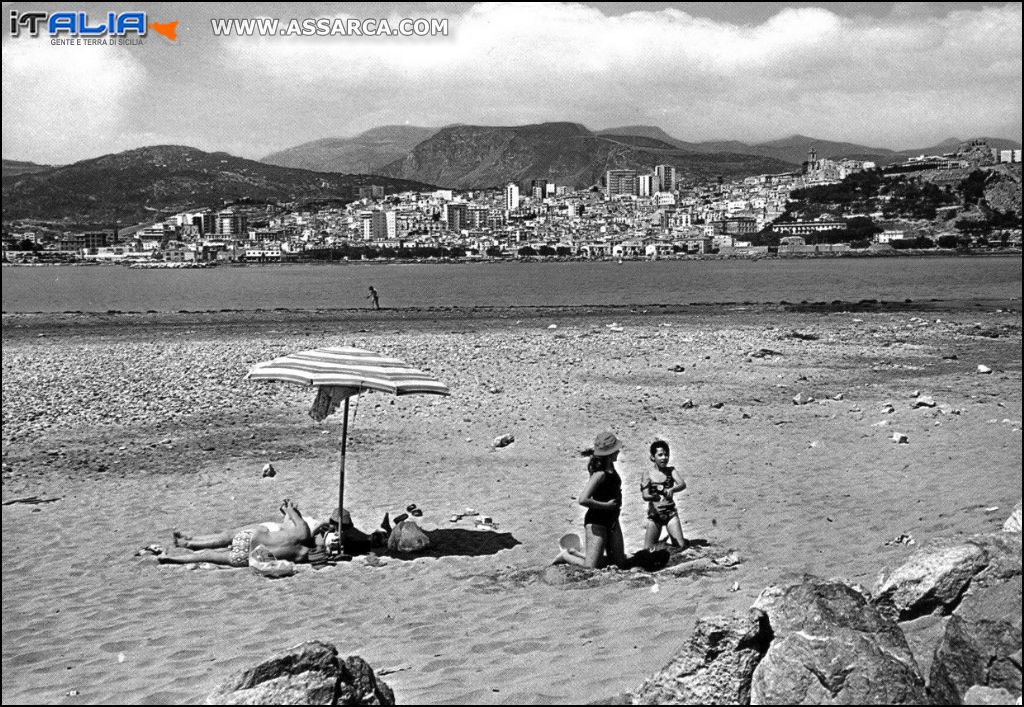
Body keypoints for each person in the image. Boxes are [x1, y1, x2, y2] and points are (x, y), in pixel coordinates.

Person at [159, 499, 326, 567]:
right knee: (208, 556)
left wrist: (288, 507)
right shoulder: (301, 557)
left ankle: (188, 543)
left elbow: (291, 510)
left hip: (250, 538)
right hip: (252, 557)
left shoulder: (302, 531)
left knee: (228, 536)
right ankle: (171, 559)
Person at [554, 432, 628, 569]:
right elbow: (583, 499)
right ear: (610, 453)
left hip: (612, 520)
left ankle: (575, 552)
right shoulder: (599, 474)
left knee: (620, 563)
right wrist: (606, 506)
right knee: (591, 569)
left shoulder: (611, 468)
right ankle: (566, 556)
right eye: (616, 449)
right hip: (597, 522)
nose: (618, 451)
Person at [641, 440, 687, 550]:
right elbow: (645, 495)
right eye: (660, 455)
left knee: (681, 547)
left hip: (670, 514)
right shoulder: (647, 473)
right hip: (654, 516)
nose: (664, 458)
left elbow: (682, 484)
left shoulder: (671, 471)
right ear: (653, 457)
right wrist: (654, 497)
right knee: (648, 550)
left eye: (666, 454)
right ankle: (663, 548)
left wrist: (673, 489)